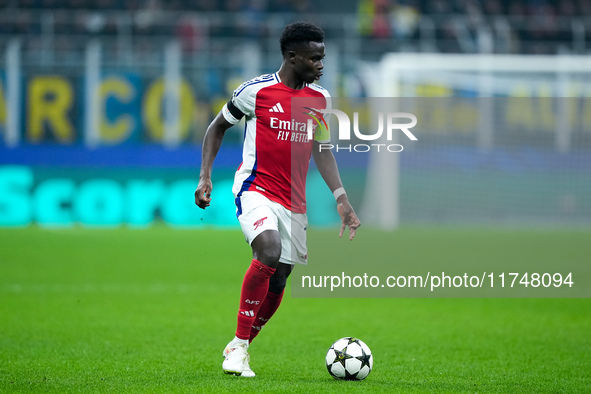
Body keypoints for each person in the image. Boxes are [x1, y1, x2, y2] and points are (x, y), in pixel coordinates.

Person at [195, 21, 361, 378]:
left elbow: (323, 150)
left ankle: (240, 344)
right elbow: (217, 127)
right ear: (292, 57)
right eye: (315, 59)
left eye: (323, 58)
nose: (321, 65)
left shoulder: (320, 99)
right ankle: (238, 349)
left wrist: (341, 197)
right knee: (268, 252)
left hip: (294, 201)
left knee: (281, 277)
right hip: (255, 189)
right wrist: (205, 176)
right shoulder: (255, 92)